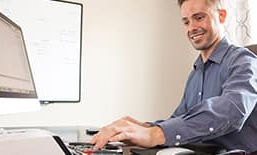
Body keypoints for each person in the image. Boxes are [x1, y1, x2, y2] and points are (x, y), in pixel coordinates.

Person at [91, 0, 257, 153]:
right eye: (186, 22)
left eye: (199, 18)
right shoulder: (196, 72)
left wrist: (154, 134)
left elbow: (232, 110)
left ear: (221, 16)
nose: (192, 27)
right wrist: (142, 128)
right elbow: (179, 120)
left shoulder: (244, 61)